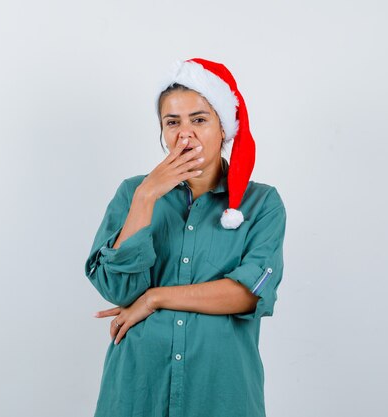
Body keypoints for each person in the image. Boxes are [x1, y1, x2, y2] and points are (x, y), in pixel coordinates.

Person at [84, 58, 287, 417]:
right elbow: (118, 290)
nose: (185, 134)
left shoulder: (262, 204)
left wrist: (157, 298)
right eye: (172, 122)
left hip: (221, 395)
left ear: (223, 128)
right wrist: (146, 197)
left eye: (199, 119)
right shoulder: (133, 193)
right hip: (136, 394)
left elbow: (246, 293)